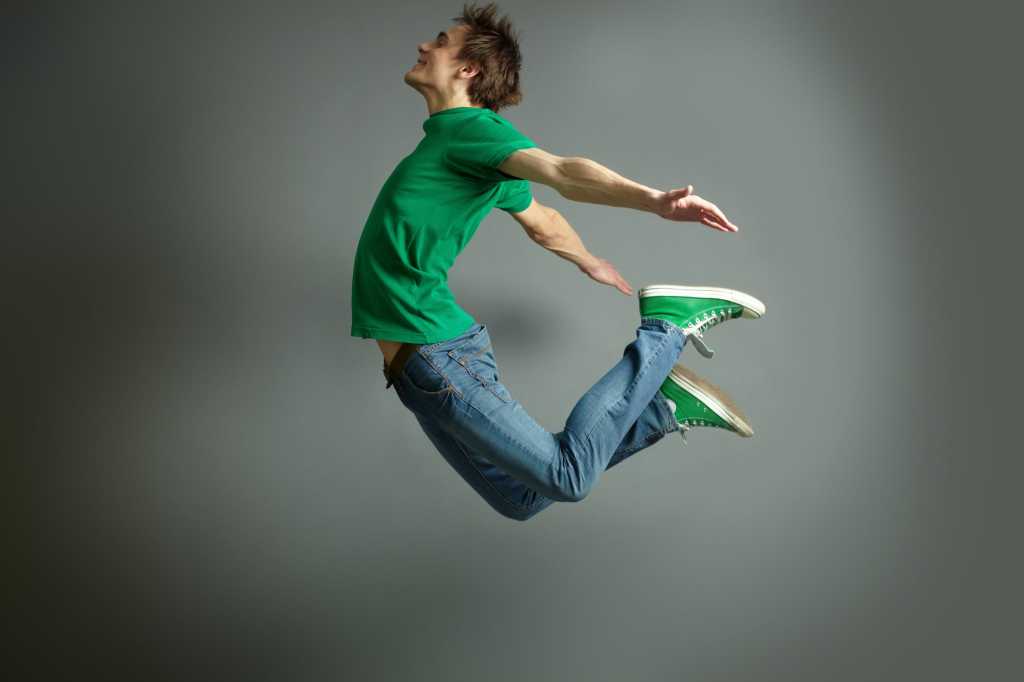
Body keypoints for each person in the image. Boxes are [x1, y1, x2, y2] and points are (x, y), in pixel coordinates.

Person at [350, 2, 766, 521]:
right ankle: (661, 406)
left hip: (436, 353)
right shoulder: (458, 147)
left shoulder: (473, 131)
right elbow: (541, 219)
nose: (423, 46)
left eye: (439, 40)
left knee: (565, 478)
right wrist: (589, 260)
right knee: (520, 498)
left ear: (467, 68)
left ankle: (667, 325)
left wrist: (655, 201)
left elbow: (563, 172)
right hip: (415, 371)